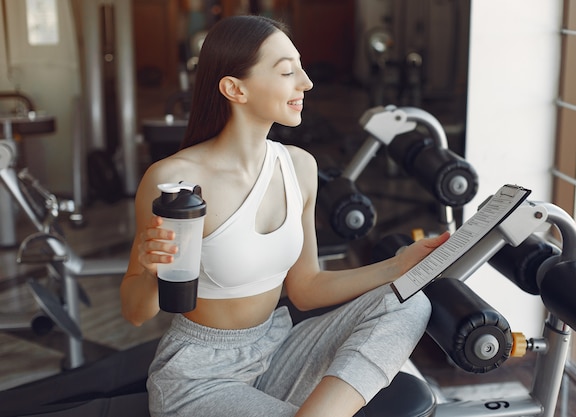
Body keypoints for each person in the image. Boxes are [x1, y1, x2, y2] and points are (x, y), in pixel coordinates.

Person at [120, 14, 449, 417]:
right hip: (200, 376)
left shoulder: (299, 166)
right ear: (234, 89)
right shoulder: (174, 181)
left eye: (301, 68)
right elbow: (136, 313)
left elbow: (306, 287)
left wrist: (397, 267)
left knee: (408, 303)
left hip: (277, 348)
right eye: (288, 71)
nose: (307, 83)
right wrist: (152, 269)